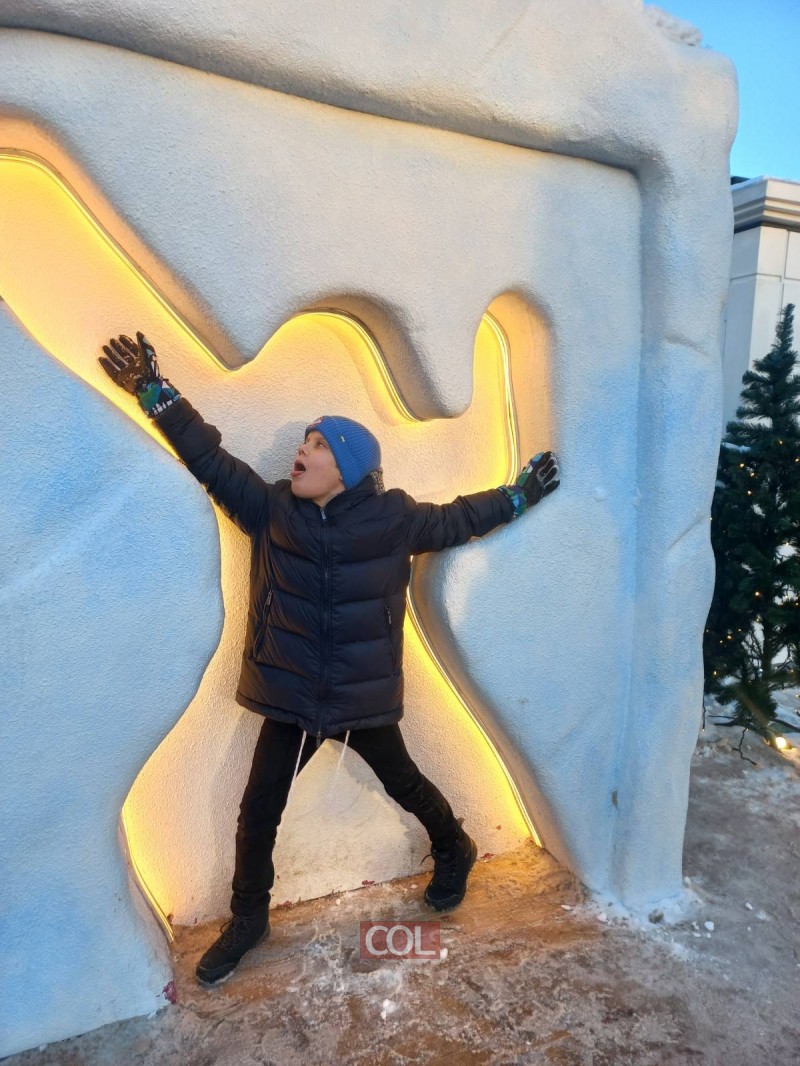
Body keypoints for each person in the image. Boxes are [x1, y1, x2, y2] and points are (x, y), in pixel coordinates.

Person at [99, 330, 560, 987]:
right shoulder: (271, 511)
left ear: (347, 467)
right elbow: (211, 460)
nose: (302, 451)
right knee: (258, 810)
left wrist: (518, 496)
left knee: (403, 782)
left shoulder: (393, 519)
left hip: (360, 694)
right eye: (303, 442)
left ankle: (454, 846)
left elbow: (459, 518)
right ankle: (249, 918)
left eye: (318, 445)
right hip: (292, 696)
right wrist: (155, 393)